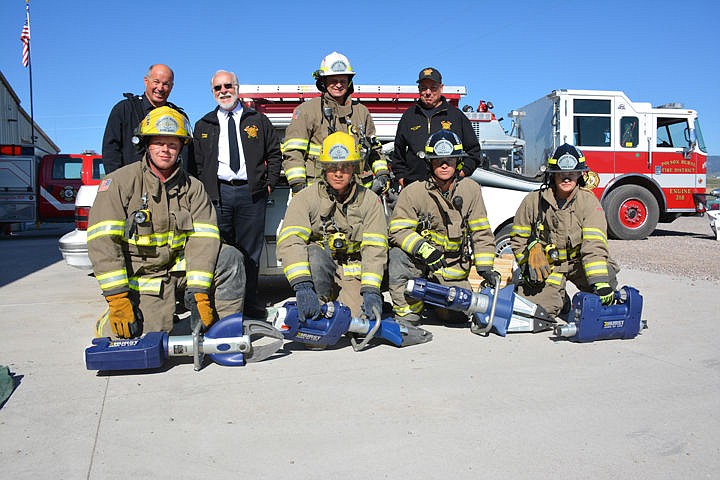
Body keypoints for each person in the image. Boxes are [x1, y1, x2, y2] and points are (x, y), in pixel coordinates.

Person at [88, 106, 245, 338]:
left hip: (180, 270)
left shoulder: (194, 188)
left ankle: (224, 330)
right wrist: (118, 298)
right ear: (146, 144)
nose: (165, 150)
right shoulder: (119, 183)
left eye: (172, 144)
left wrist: (200, 292)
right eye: (159, 143)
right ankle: (112, 319)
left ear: (181, 147)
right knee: (143, 336)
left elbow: (204, 241)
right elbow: (103, 244)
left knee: (230, 257)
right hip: (143, 277)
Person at [190, 70, 282, 319]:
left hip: (251, 196)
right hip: (218, 197)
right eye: (217, 88)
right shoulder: (203, 125)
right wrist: (204, 191)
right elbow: (195, 163)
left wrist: (270, 182)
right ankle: (221, 308)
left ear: (237, 87)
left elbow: (274, 153)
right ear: (212, 92)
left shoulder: (258, 121)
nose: (223, 91)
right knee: (219, 251)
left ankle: (249, 305)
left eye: (227, 85)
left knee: (251, 255)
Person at [388, 130, 497, 326]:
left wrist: (485, 268)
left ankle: (434, 303)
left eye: (450, 160)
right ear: (429, 162)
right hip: (420, 265)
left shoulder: (471, 190)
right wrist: (424, 249)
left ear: (458, 162)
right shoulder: (414, 192)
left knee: (455, 316)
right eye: (438, 160)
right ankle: (409, 311)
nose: (444, 164)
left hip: (452, 269)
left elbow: (481, 232)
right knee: (397, 254)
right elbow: (397, 230)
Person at [277, 131, 388, 320]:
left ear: (354, 168)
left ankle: (348, 301)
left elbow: (374, 249)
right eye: (332, 167)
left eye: (345, 167)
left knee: (358, 321)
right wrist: (302, 286)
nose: (338, 173)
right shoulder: (305, 198)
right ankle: (317, 302)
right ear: (323, 168)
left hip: (353, 268)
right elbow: (291, 242)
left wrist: (371, 290)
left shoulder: (370, 200)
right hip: (319, 270)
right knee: (313, 254)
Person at [510, 143, 618, 317]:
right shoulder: (533, 201)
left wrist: (600, 282)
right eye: (561, 174)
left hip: (580, 263)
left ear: (579, 175)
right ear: (552, 175)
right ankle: (560, 299)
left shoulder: (589, 202)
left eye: (572, 174)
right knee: (537, 311)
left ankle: (591, 286)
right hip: (549, 267)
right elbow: (518, 238)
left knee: (603, 295)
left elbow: (594, 244)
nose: (566, 178)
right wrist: (527, 265)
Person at [281, 52, 389, 195]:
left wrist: (382, 173)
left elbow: (374, 148)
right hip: (318, 190)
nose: (338, 85)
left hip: (357, 190)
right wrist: (298, 184)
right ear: (323, 82)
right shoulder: (307, 111)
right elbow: (293, 151)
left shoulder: (361, 112)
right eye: (333, 80)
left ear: (349, 82)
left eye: (342, 81)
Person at [391, 67, 481, 188]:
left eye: (433, 88)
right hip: (415, 187)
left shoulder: (456, 116)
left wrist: (461, 173)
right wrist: (402, 179)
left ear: (441, 88)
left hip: (448, 188)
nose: (428, 92)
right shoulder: (409, 117)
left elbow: (474, 152)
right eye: (423, 88)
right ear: (418, 89)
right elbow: (398, 154)